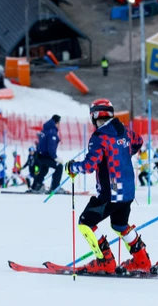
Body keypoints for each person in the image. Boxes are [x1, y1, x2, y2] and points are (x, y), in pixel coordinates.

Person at [65, 99, 151, 274]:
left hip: (111, 192)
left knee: (85, 222)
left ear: (94, 116)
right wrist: (123, 154)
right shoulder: (125, 131)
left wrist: (72, 167)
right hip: (127, 191)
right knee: (120, 225)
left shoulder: (99, 137)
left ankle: (105, 261)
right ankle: (141, 260)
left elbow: (89, 166)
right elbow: (138, 142)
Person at [31, 115, 64, 193]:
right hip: (45, 155)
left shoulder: (45, 129)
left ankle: (36, 186)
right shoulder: (52, 132)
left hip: (40, 155)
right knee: (59, 167)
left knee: (44, 169)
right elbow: (50, 147)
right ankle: (55, 188)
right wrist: (55, 157)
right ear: (57, 122)